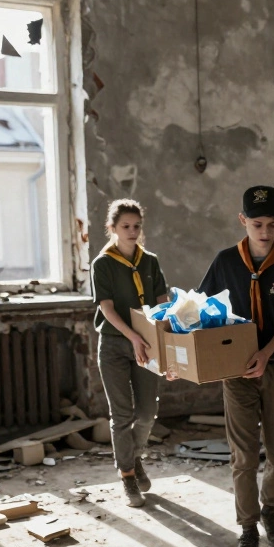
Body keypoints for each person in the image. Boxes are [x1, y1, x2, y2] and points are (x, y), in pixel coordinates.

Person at [197, 186, 274, 547]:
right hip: (236, 372)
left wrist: (265, 353)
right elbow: (200, 312)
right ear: (243, 221)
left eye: (273, 224)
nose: (265, 232)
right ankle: (247, 529)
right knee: (244, 454)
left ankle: (269, 508)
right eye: (258, 224)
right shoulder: (225, 262)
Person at [91, 199, 169, 508]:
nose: (132, 231)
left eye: (137, 226)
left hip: (147, 343)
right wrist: (133, 337)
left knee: (147, 411)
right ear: (112, 228)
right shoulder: (103, 263)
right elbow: (107, 308)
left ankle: (135, 457)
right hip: (114, 343)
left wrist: (163, 337)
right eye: (125, 226)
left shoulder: (150, 261)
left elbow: (161, 300)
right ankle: (127, 476)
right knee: (121, 414)